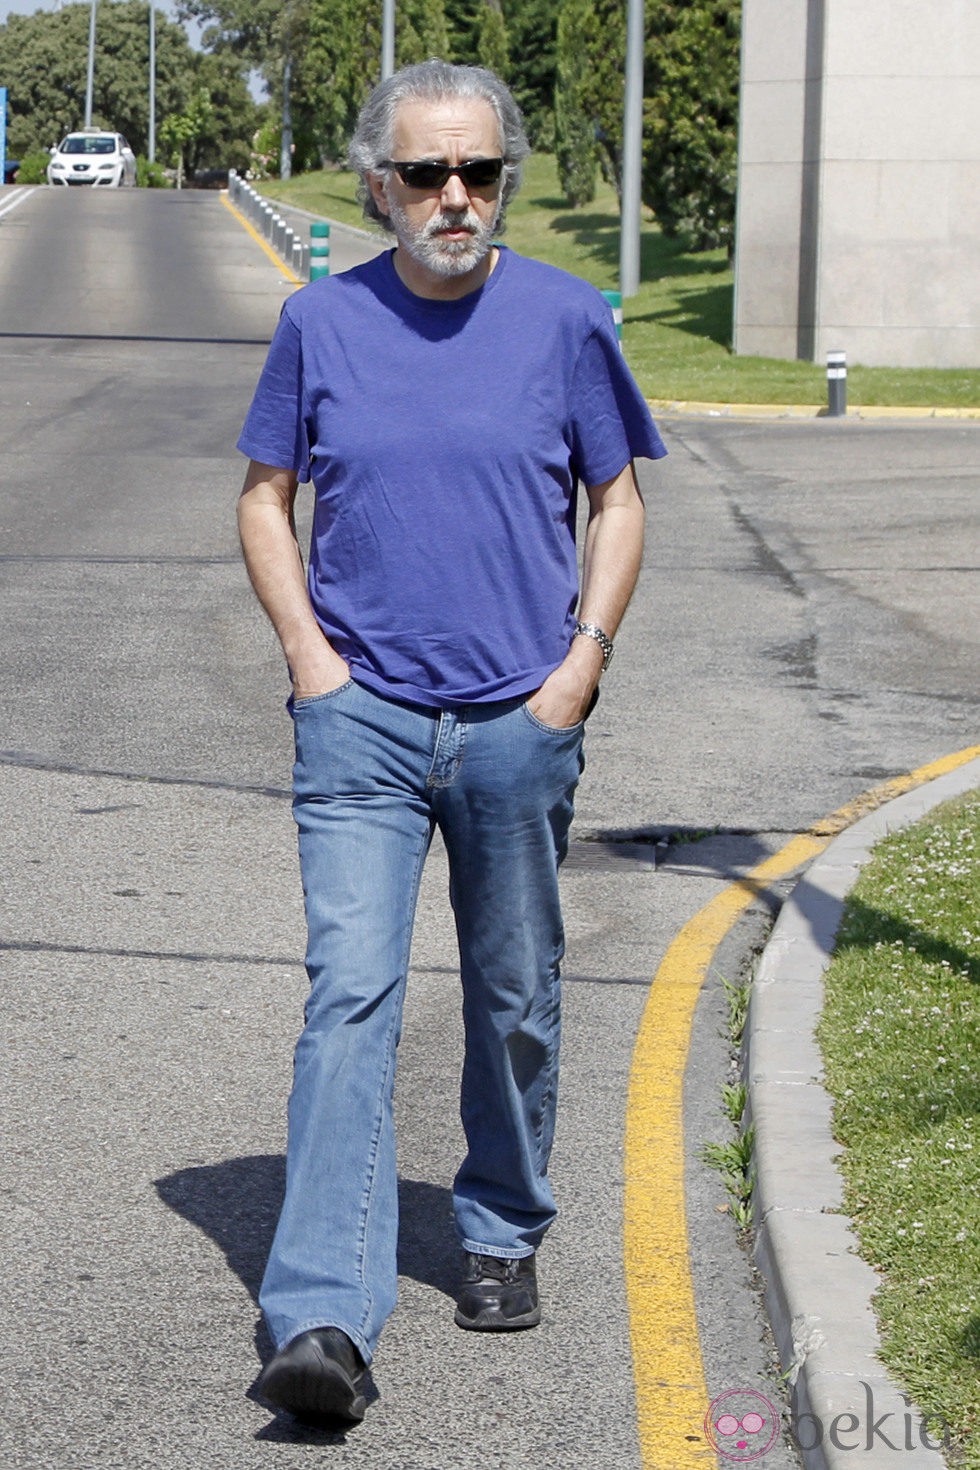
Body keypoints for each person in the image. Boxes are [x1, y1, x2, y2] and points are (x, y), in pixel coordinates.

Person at [236, 59, 667, 1426]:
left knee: (515, 992)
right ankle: (320, 1312)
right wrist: (309, 657)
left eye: (479, 171)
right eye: (427, 173)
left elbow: (620, 500)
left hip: (515, 720)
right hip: (357, 721)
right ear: (380, 185)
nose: (457, 197)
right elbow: (265, 498)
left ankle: (498, 1224)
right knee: (350, 994)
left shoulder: (563, 321)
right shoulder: (319, 320)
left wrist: (579, 667)